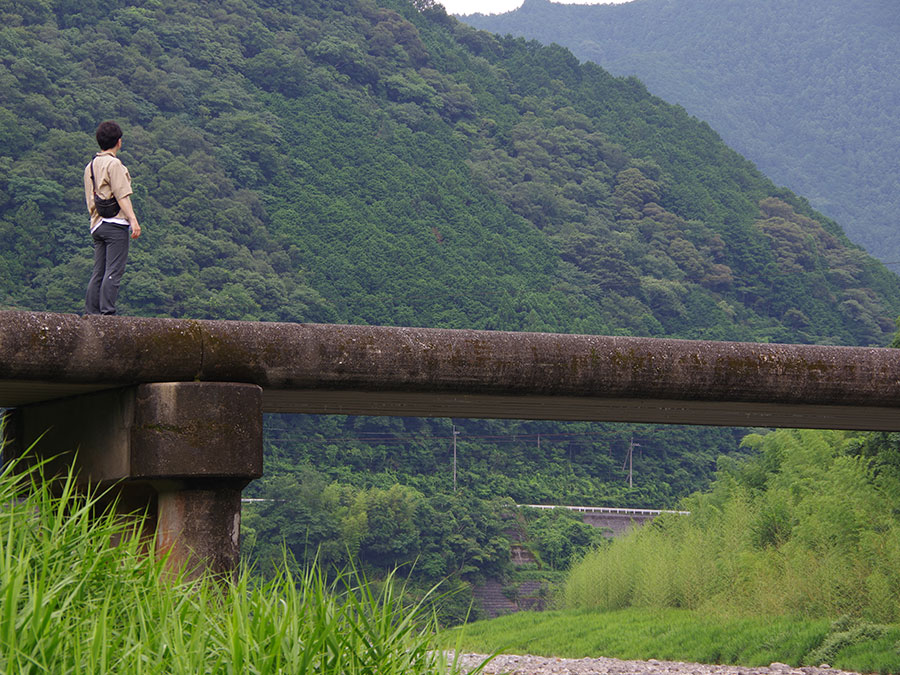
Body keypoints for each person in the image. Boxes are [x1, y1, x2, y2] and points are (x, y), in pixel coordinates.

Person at [83, 120, 141, 315]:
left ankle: (92, 313)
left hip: (96, 224)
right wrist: (132, 219)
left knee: (98, 271)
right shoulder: (114, 164)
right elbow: (121, 194)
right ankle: (107, 313)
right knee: (114, 270)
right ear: (119, 141)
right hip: (114, 223)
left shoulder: (90, 166)